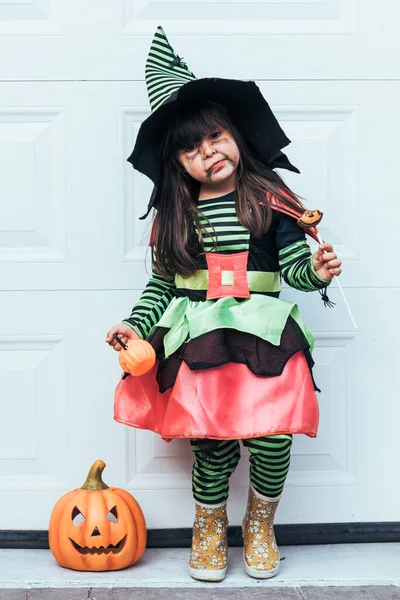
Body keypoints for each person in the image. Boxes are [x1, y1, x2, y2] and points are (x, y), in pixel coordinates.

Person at [105, 26, 342, 582]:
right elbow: (161, 287)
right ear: (176, 163)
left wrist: (318, 270)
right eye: (190, 147)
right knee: (211, 445)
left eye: (214, 136)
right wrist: (136, 329)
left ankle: (260, 524)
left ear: (234, 133)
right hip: (203, 338)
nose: (207, 152)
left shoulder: (273, 200)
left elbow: (293, 267)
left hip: (264, 335)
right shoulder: (175, 218)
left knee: (273, 439)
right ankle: (208, 529)